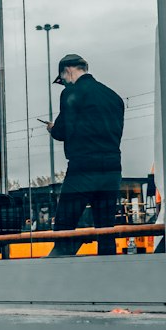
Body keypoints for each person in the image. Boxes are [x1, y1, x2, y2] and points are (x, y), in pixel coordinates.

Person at [46, 54, 125, 256]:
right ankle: (107, 273)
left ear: (68, 71)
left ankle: (59, 276)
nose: (64, 84)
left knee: (64, 224)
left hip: (83, 167)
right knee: (106, 228)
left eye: (62, 79)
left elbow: (65, 131)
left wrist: (53, 129)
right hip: (112, 168)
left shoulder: (72, 93)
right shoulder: (114, 97)